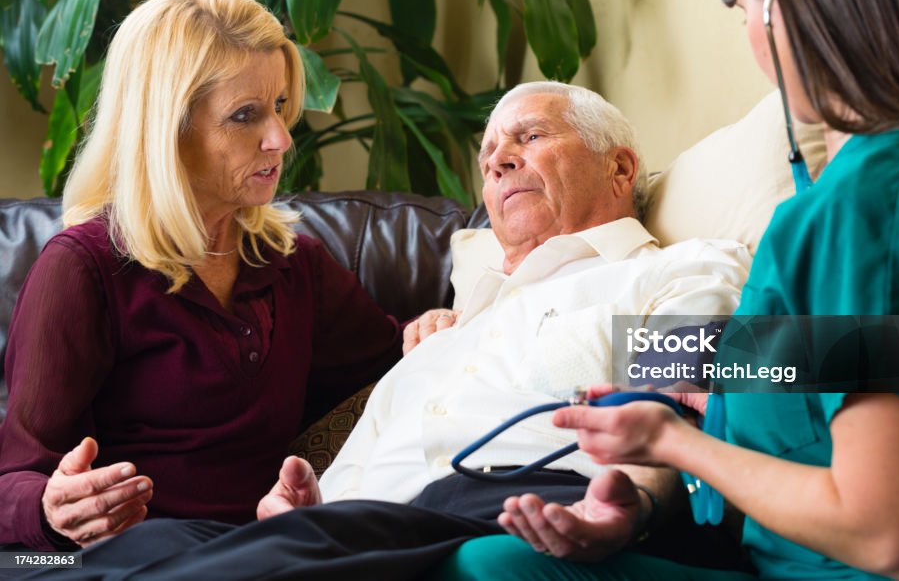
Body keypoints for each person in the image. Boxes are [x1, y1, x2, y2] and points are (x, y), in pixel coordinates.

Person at [442, 0, 899, 579]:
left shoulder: (875, 200)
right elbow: (882, 390)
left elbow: (887, 532)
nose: (748, 34)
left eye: (743, 6)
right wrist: (689, 449)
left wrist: (677, 445)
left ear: (787, 5)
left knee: (488, 568)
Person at [30, 82, 752, 580]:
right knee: (127, 547)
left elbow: (677, 400)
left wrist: (637, 505)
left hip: (501, 504)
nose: (498, 160)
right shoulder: (447, 330)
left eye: (530, 137)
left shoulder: (665, 275)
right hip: (344, 534)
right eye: (489, 152)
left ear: (620, 166)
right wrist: (301, 507)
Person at [0, 0, 401, 552]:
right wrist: (50, 510)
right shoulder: (83, 270)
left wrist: (433, 333)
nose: (281, 138)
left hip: (270, 551)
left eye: (281, 106)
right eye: (246, 115)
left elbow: (402, 375)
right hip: (121, 558)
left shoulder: (293, 267)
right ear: (167, 130)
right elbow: (14, 477)